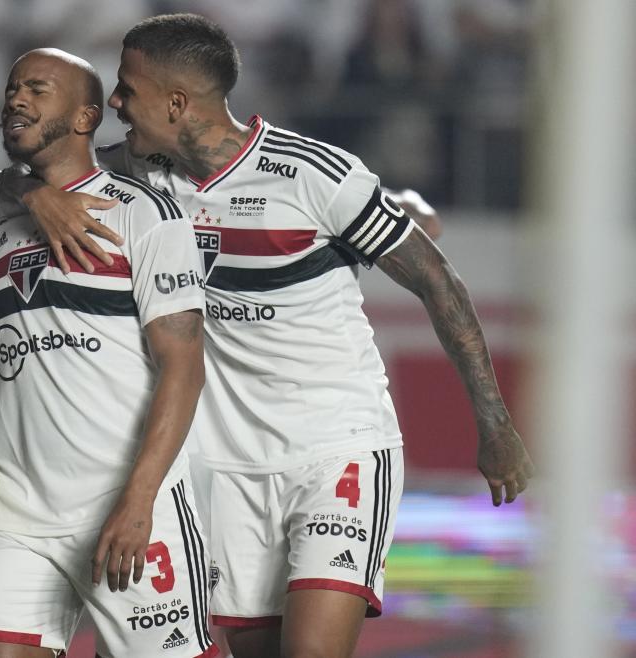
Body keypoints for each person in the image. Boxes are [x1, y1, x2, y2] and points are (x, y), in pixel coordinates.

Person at [28, 13, 532, 658]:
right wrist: (36, 192)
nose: (115, 103)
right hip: (224, 465)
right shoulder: (135, 173)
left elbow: (441, 284)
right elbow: (12, 179)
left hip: (336, 447)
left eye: (127, 88)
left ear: (176, 102)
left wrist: (494, 426)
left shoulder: (311, 174)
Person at [0, 49, 217, 658]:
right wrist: (34, 194)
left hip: (126, 506)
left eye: (38, 90)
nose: (16, 98)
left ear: (84, 117)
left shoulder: (144, 215)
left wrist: (139, 500)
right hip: (18, 515)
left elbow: (184, 366)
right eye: (13, 87)